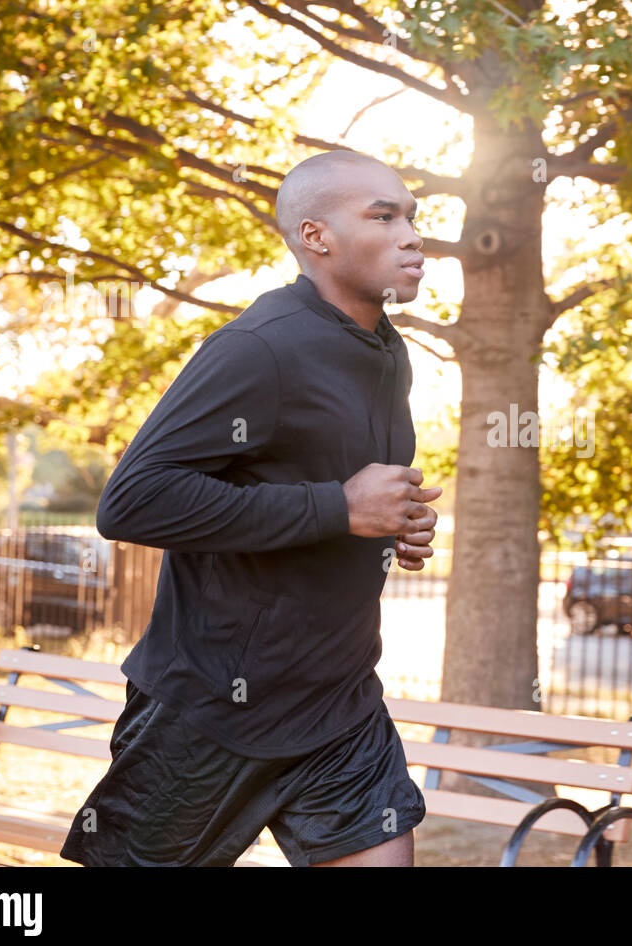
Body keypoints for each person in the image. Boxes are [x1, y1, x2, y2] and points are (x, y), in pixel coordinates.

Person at [60, 150, 440, 867]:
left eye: (412, 217)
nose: (412, 235)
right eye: (383, 217)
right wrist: (338, 509)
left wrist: (397, 520)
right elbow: (133, 501)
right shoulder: (259, 348)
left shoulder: (388, 352)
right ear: (315, 236)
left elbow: (345, 490)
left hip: (339, 703)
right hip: (213, 709)